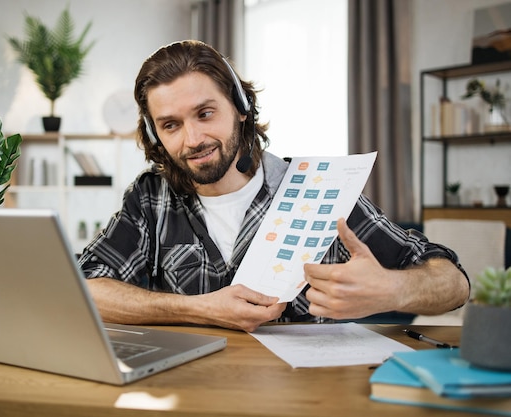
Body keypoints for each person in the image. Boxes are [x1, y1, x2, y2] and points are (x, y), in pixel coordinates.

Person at [78, 40, 469, 332]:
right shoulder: (150, 197)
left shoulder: (320, 189)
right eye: (171, 125)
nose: (192, 138)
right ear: (155, 134)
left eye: (205, 113)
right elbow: (86, 288)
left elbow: (453, 282)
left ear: (241, 109)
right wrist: (200, 308)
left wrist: (391, 290)